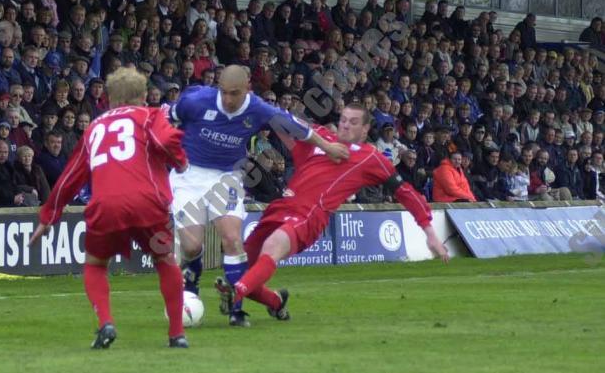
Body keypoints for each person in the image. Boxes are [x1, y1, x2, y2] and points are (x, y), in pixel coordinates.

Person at [215, 104, 449, 323]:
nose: (345, 125)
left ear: (365, 128)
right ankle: (275, 301)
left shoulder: (371, 157)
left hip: (310, 215)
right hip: (280, 207)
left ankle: (236, 293)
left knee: (271, 249)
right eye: (343, 120)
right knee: (247, 268)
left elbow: (406, 193)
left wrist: (429, 231)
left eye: (353, 122)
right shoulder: (320, 138)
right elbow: (282, 121)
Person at [167, 65, 349, 326]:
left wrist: (328, 146)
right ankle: (190, 296)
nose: (228, 99)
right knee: (192, 246)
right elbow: (165, 119)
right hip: (188, 174)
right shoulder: (196, 101)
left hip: (226, 177)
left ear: (247, 89)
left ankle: (236, 310)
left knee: (231, 239)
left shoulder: (259, 109)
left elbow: (298, 127)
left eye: (234, 94)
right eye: (224, 93)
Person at [30, 67, 191, 349]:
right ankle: (177, 334)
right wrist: (180, 160)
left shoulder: (94, 127)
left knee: (95, 265)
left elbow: (71, 176)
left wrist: (48, 215)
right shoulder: (150, 116)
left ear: (110, 99)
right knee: (165, 261)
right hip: (148, 204)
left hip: (106, 205)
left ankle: (106, 322)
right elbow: (167, 140)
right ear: (143, 97)